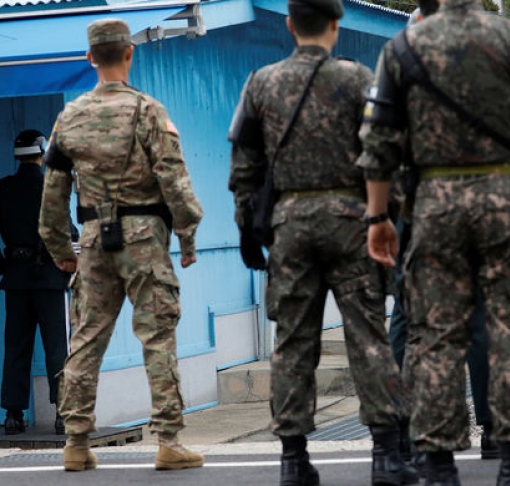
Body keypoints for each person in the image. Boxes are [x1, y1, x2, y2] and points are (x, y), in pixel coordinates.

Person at [358, 0, 510, 483]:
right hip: (506, 199)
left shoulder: (403, 47)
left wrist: (378, 216)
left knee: (434, 335)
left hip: (434, 204)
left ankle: (438, 466)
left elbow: (378, 143)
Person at [227, 1, 414, 485]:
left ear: (290, 24)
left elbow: (244, 164)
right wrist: (390, 214)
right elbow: (383, 152)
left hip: (290, 225)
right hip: (353, 221)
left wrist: (247, 226)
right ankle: (386, 455)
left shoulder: (260, 83)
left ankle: (293, 459)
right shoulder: (358, 80)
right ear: (335, 24)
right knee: (368, 336)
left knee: (292, 342)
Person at [38, 18, 204, 472]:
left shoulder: (69, 117)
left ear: (90, 57)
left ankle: (76, 443)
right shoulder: (148, 110)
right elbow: (175, 181)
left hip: (93, 240)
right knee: (157, 336)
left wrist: (61, 251)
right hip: (145, 238)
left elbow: (52, 197)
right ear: (130, 52)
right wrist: (187, 236)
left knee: (86, 338)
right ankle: (168, 441)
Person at [0, 130, 78, 436]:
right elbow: (68, 234)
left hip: (16, 279)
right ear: (42, 153)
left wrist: (5, 266)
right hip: (50, 279)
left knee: (16, 346)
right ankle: (62, 414)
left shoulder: (4, 189)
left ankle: (13, 415)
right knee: (57, 347)